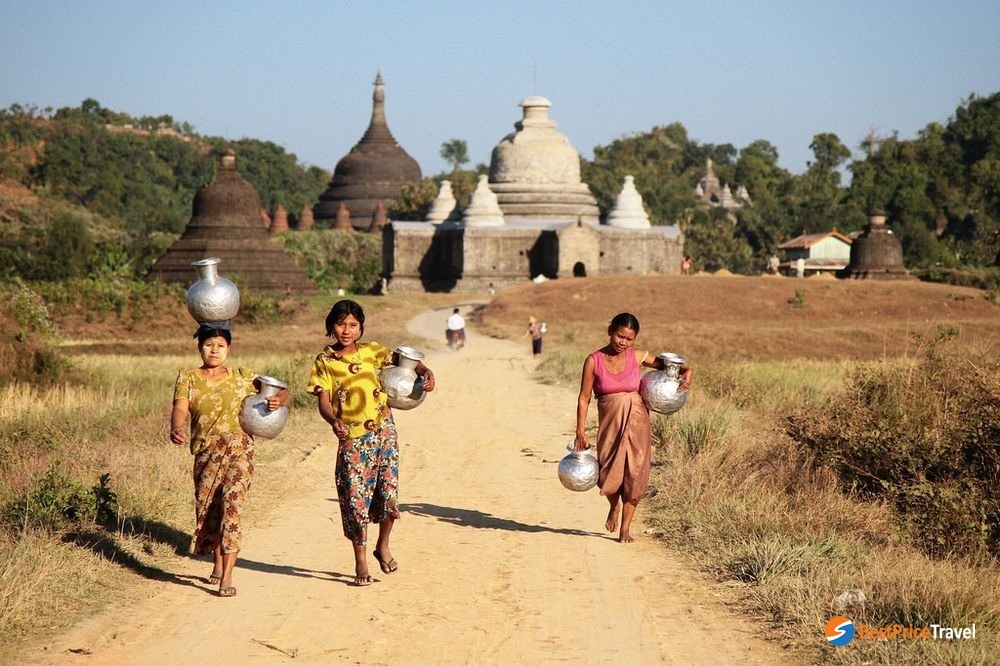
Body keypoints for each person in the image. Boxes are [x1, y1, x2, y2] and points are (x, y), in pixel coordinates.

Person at [307, 299, 436, 586]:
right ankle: (361, 562)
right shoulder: (325, 361)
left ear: (361, 327)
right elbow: (324, 400)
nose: (346, 330)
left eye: (353, 325)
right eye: (341, 324)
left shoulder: (373, 351)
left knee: (388, 494)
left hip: (383, 432)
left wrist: (426, 373)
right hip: (352, 438)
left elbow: (410, 363)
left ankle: (383, 545)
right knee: (356, 500)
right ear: (331, 326)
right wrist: (333, 421)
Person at [170, 322, 288, 597]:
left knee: (232, 508)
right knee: (211, 510)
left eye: (220, 346)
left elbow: (281, 390)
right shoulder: (188, 377)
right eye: (209, 345)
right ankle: (217, 563)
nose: (214, 350)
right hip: (206, 452)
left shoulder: (243, 376)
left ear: (229, 349)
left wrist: (278, 401)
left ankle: (227, 577)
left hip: (240, 449)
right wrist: (176, 426)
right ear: (200, 347)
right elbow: (180, 406)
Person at [573, 312, 692, 543]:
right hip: (610, 422)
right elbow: (584, 398)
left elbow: (673, 367)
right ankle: (613, 506)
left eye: (629, 339)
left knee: (636, 472)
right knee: (607, 470)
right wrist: (580, 430)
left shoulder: (637, 356)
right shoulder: (593, 360)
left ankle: (625, 528)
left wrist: (689, 371)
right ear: (611, 331)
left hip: (637, 422)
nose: (623, 343)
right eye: (620, 336)